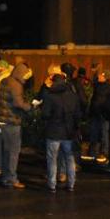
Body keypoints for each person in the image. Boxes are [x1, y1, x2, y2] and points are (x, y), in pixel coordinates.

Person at [42, 64, 81, 193]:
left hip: (53, 131)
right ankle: (71, 184)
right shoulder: (72, 95)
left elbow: (45, 114)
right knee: (69, 158)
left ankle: (52, 184)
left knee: (52, 159)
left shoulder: (49, 96)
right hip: (68, 132)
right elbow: (77, 114)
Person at [0, 62, 32, 189]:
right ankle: (11, 179)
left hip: (2, 120)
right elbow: (18, 103)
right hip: (12, 121)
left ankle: (5, 177)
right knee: (13, 152)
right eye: (26, 74)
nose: (26, 77)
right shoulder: (15, 85)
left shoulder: (5, 80)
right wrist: (30, 106)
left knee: (7, 151)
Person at [87, 69, 110, 162]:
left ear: (106, 77)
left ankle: (103, 153)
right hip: (97, 114)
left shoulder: (107, 88)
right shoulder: (99, 86)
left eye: (101, 76)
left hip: (102, 115)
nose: (99, 77)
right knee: (95, 133)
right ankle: (94, 152)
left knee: (103, 134)